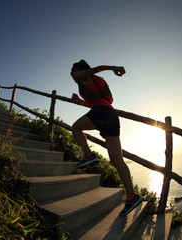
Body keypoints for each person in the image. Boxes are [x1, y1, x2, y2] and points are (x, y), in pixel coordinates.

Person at [70, 59, 143, 216]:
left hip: (102, 112)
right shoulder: (92, 82)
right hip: (111, 114)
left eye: (72, 71)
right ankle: (132, 197)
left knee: (75, 128)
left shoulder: (82, 75)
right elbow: (96, 103)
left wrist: (113, 67)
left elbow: (97, 68)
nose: (72, 74)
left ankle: (89, 155)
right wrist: (80, 102)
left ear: (78, 70)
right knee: (117, 161)